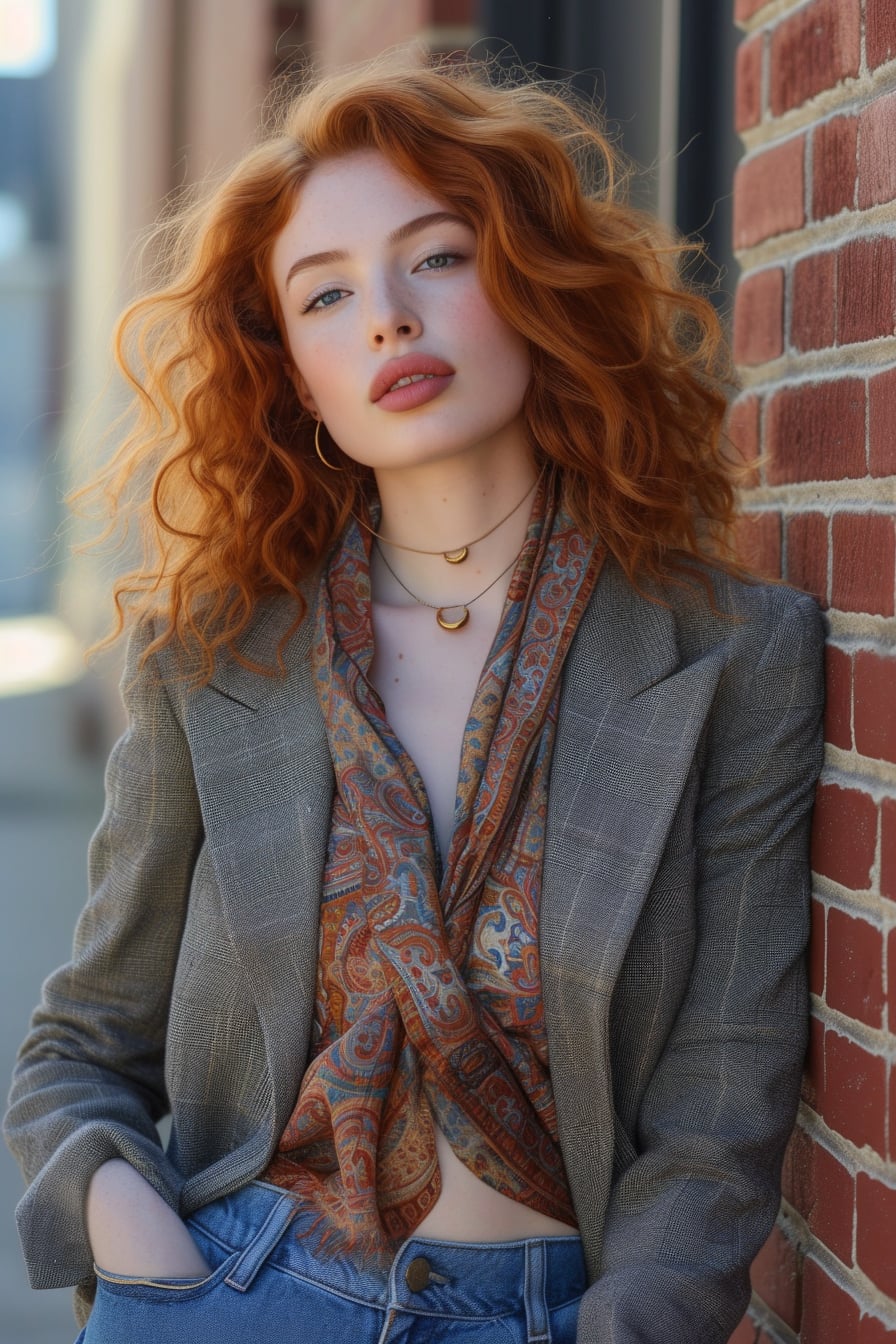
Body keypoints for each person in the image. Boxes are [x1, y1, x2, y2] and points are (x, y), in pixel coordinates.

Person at [4, 55, 825, 1344]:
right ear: (295, 375)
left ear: (530, 282)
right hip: (235, 1294)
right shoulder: (214, 655)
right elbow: (83, 1046)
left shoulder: (729, 653)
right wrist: (138, 1243)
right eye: (325, 295)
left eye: (436, 258)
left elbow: (721, 1112)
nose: (386, 316)